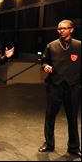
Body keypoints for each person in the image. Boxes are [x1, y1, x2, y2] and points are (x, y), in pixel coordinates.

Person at [38, 19, 81, 157]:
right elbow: (43, 61)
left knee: (72, 118)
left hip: (73, 87)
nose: (61, 31)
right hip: (55, 86)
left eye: (64, 28)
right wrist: (45, 66)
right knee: (50, 116)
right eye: (59, 29)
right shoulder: (51, 46)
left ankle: (74, 147)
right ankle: (49, 144)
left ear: (71, 29)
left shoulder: (79, 45)